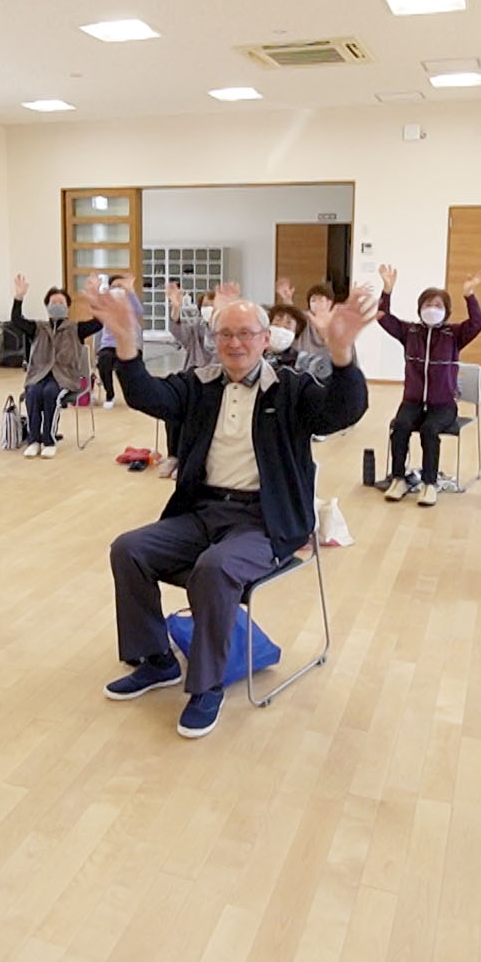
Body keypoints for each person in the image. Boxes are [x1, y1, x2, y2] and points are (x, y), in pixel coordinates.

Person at [91, 282, 375, 738]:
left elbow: (343, 410)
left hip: (267, 520)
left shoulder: (291, 389)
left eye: (247, 333)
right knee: (129, 549)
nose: (236, 343)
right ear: (213, 340)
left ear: (266, 340)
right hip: (204, 512)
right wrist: (126, 345)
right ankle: (157, 660)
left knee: (214, 568)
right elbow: (148, 396)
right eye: (226, 334)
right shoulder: (199, 386)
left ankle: (206, 686)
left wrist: (342, 353)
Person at [375, 265, 481, 506]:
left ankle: (429, 483)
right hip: (413, 401)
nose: (432, 309)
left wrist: (469, 295)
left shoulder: (454, 334)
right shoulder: (410, 332)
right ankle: (398, 479)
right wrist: (387, 290)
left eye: (438, 305)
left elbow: (477, 323)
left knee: (429, 430)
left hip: (443, 405)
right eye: (427, 305)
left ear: (446, 311)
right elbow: (383, 318)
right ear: (419, 309)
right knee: (401, 425)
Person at [8, 276, 103, 459]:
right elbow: (16, 321)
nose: (57, 305)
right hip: (39, 375)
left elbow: (99, 322)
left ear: (67, 307)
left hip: (65, 378)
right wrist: (19, 297)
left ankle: (49, 440)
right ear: (47, 306)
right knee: (33, 393)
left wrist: (95, 296)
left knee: (51, 393)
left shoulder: (76, 328)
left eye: (61, 302)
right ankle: (34, 440)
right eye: (53, 302)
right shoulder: (38, 328)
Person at [157, 280, 232, 478]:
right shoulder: (197, 327)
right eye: (205, 305)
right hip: (193, 380)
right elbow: (179, 333)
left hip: (218, 383)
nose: (208, 309)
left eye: (212, 305)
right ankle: (174, 456)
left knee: (199, 417)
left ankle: (189, 461)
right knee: (172, 408)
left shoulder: (227, 330)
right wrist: (175, 307)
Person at [95, 273, 144, 409]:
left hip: (128, 345)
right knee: (104, 361)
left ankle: (133, 396)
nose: (118, 289)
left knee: (129, 365)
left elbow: (139, 311)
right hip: (109, 345)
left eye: (120, 286)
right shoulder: (107, 303)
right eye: (114, 286)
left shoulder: (130, 303)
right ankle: (109, 394)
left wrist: (131, 291)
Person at [266, 304, 335, 379]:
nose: (281, 327)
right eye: (277, 321)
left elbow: (326, 369)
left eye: (288, 324)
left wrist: (326, 338)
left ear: (296, 332)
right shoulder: (256, 352)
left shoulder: (301, 360)